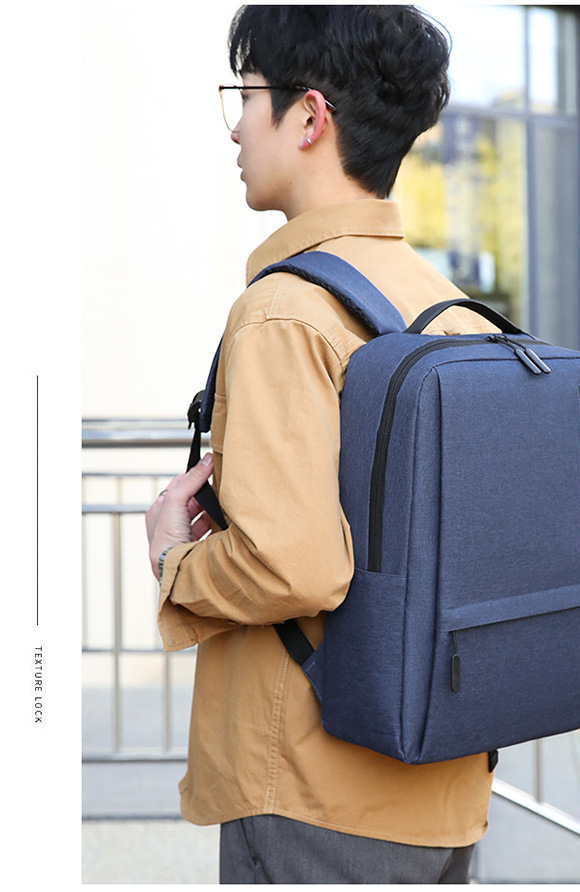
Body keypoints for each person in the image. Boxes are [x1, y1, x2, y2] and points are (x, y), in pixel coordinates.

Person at [145, 5, 496, 884]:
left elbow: (293, 568)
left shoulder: (284, 311)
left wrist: (174, 563)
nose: (235, 126)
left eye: (246, 96)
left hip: (310, 789)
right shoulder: (451, 308)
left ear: (308, 116)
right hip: (444, 780)